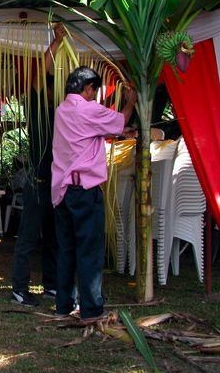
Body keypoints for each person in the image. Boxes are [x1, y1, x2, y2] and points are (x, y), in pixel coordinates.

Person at [51, 66, 136, 323]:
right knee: (89, 250)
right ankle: (91, 308)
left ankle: (64, 304)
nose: (94, 95)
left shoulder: (62, 110)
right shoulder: (87, 109)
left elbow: (92, 133)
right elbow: (119, 121)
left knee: (67, 249)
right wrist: (130, 101)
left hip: (63, 191)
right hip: (84, 191)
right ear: (88, 88)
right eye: (94, 91)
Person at [11, 24, 66, 307]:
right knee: (28, 239)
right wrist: (56, 43)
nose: (51, 93)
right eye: (49, 87)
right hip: (37, 183)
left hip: (55, 184)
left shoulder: (60, 115)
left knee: (54, 239)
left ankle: (52, 286)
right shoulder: (35, 108)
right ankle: (19, 290)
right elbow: (37, 78)